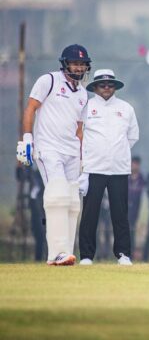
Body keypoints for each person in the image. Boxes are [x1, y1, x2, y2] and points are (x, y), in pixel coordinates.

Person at [16, 44, 90, 266]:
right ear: (65, 64)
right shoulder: (48, 80)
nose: (78, 67)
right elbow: (31, 108)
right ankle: (57, 251)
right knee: (57, 194)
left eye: (82, 64)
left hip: (71, 151)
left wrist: (82, 158)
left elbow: (79, 130)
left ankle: (63, 252)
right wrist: (27, 139)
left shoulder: (84, 94)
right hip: (48, 147)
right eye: (74, 63)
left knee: (72, 201)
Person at [78, 69, 138, 265]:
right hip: (93, 168)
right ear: (95, 87)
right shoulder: (86, 106)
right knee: (89, 214)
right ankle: (86, 255)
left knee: (120, 213)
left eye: (110, 85)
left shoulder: (126, 108)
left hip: (119, 169)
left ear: (115, 87)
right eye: (102, 85)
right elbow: (79, 135)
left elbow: (132, 137)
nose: (106, 88)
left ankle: (123, 254)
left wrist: (116, 152)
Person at [127, 156, 145, 257]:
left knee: (132, 230)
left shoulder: (141, 178)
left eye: (136, 164)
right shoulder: (126, 177)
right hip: (125, 207)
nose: (134, 166)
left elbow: (139, 192)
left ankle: (132, 252)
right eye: (132, 163)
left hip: (136, 208)